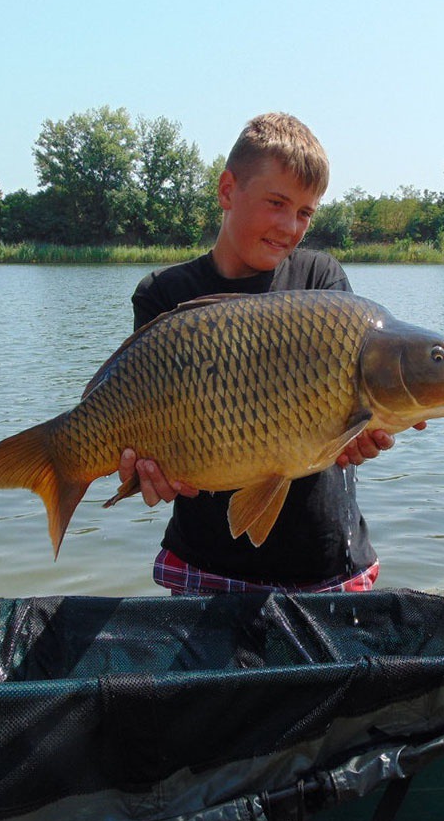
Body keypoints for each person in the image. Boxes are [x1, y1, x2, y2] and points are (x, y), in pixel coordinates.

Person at [123, 112, 422, 595]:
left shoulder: (322, 282)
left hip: (325, 562)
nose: (290, 226)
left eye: (305, 212)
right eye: (277, 203)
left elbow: (346, 422)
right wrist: (145, 475)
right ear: (226, 191)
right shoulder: (164, 294)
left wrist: (361, 439)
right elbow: (146, 425)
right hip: (205, 561)